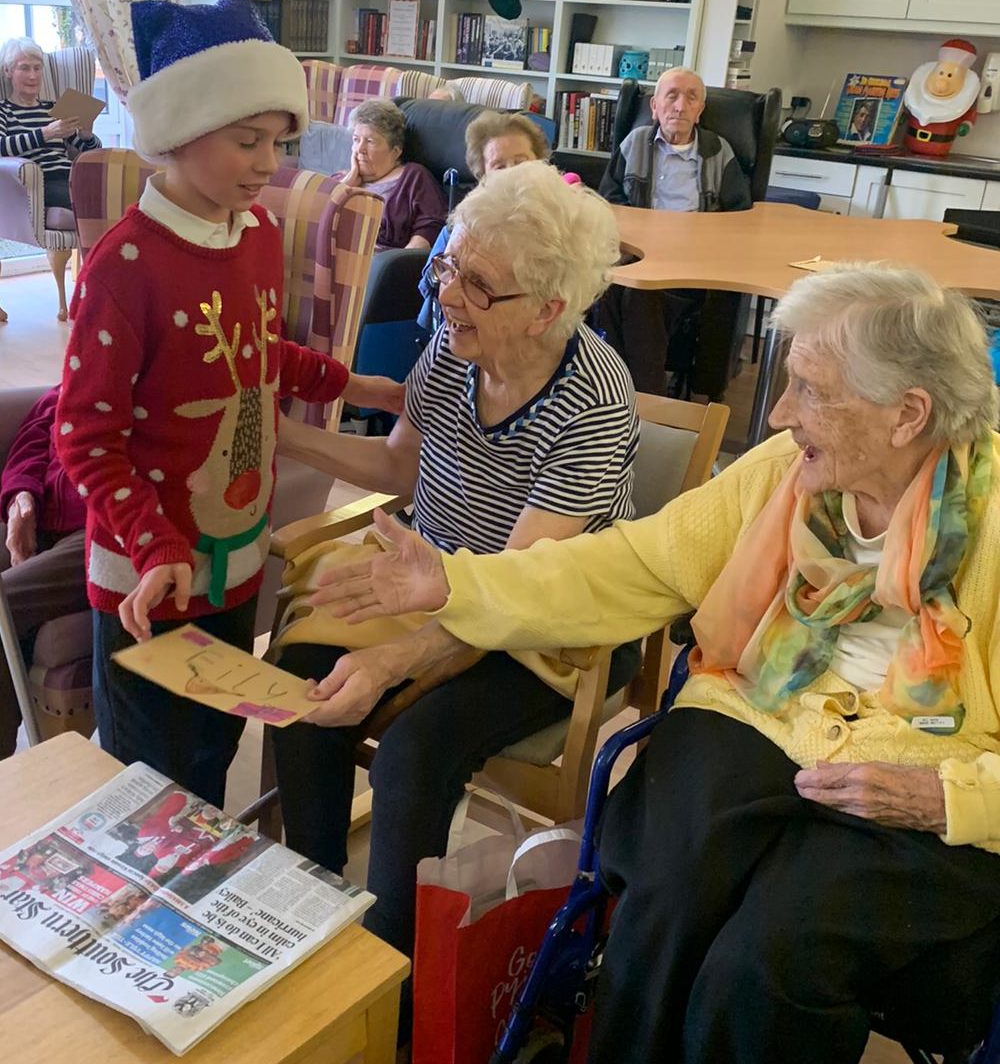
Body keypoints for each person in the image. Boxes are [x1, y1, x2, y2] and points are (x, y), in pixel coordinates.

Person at [315, 266, 1000, 1064]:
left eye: (810, 391)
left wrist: (954, 799)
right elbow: (633, 564)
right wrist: (455, 580)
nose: (778, 415)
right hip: (761, 703)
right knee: (662, 894)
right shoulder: (784, 471)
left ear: (906, 415)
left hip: (934, 765)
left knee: (771, 961)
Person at [272, 160, 640, 1040]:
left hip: (545, 623)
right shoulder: (452, 349)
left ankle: (393, 991)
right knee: (297, 678)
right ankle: (315, 910)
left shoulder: (594, 399)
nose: (447, 293)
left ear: (551, 308)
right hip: (428, 573)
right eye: (449, 266)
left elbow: (512, 594)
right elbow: (401, 465)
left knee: (410, 750)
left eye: (478, 283)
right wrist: (288, 432)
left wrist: (391, 657)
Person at [53, 0, 405, 809]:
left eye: (277, 143)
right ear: (178, 133)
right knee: (149, 784)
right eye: (248, 141)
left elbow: (257, 358)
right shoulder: (124, 266)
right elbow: (86, 438)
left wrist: (354, 385)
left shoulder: (253, 235)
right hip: (150, 582)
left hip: (238, 559)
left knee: (213, 756)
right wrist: (151, 545)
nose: (266, 164)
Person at [598, 66, 751, 396]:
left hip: (692, 268)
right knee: (609, 287)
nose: (680, 106)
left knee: (639, 294)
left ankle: (642, 399)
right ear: (655, 106)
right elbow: (608, 201)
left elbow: (740, 218)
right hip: (636, 257)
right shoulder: (635, 143)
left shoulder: (718, 152)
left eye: (691, 98)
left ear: (700, 110)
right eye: (672, 96)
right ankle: (617, 392)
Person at [0, 385, 88, 757]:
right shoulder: (67, 386)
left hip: (101, 533)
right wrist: (22, 498)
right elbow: (32, 443)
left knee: (4, 603)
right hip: (43, 522)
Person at [417, 109, 552, 335]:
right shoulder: (457, 228)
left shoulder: (559, 223)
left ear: (540, 163)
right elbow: (431, 288)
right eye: (499, 167)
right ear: (483, 175)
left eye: (521, 162)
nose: (511, 174)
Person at [0, 36, 102, 322]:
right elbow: (0, 146)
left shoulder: (54, 108)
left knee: (112, 189)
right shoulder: (4, 111)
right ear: (8, 71)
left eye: (37, 67)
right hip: (36, 186)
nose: (32, 75)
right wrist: (45, 134)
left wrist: (85, 135)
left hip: (71, 177)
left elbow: (89, 151)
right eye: (24, 68)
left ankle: (101, 286)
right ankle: (94, 289)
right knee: (94, 203)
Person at [337, 98, 447, 251]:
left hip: (378, 267)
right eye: (356, 140)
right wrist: (345, 185)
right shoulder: (339, 180)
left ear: (395, 151)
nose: (359, 149)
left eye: (370, 141)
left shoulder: (414, 178)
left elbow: (431, 228)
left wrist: (397, 266)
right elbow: (312, 221)